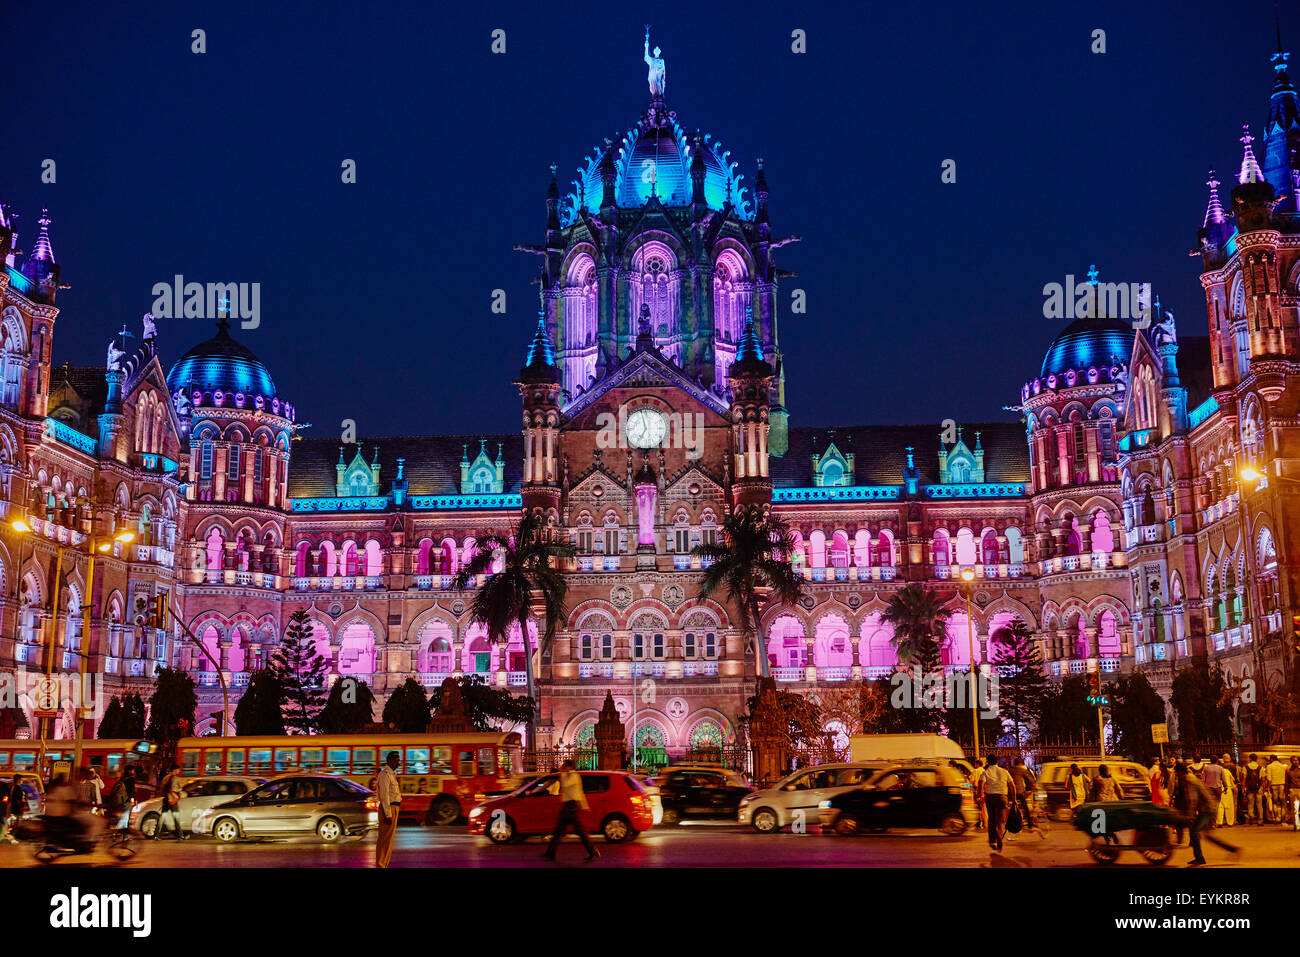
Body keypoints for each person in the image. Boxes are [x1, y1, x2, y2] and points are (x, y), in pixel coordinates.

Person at [1178, 762, 1240, 866]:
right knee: (1206, 835)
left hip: (1206, 809)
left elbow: (1193, 799)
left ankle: (1199, 858)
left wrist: (1190, 815)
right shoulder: (1190, 778)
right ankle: (1232, 849)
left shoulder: (1189, 780)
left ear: (1179, 772)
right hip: (1207, 808)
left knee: (1194, 832)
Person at [545, 760, 598, 862]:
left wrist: (585, 806)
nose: (563, 767)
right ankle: (550, 853)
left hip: (571, 807)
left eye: (564, 766)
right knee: (564, 830)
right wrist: (585, 806)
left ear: (569, 767)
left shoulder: (573, 776)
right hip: (569, 806)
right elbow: (579, 792)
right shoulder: (569, 775)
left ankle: (550, 853)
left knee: (563, 830)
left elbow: (567, 785)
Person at [980, 755, 1012, 852]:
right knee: (1001, 820)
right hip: (1002, 797)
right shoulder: (1004, 772)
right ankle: (999, 836)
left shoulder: (985, 773)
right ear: (997, 761)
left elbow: (980, 784)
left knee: (992, 820)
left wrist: (979, 795)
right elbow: (1012, 785)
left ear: (987, 762)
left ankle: (992, 841)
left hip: (990, 798)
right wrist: (1013, 799)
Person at [375, 751, 401, 868]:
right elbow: (384, 796)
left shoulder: (392, 774)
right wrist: (388, 814)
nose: (398, 762)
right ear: (390, 761)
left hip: (393, 807)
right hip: (389, 808)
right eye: (396, 760)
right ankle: (381, 864)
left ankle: (384, 863)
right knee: (385, 839)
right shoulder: (385, 774)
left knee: (389, 840)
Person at [1009, 757, 1042, 838]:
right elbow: (1030, 780)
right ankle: (1030, 826)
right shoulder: (1023, 770)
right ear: (1021, 764)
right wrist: (1035, 787)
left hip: (1010, 793)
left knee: (1014, 807)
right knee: (1025, 807)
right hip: (1020, 792)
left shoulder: (1010, 770)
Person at [153, 764, 185, 841]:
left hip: (166, 800)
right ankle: (180, 835)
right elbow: (173, 788)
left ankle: (156, 835)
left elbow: (162, 788)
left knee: (162, 817)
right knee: (176, 818)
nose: (179, 771)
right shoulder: (175, 778)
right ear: (174, 770)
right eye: (178, 769)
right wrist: (179, 790)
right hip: (172, 800)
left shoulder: (166, 777)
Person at [1200, 756, 1224, 823]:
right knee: (1216, 805)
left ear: (1210, 761)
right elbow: (1223, 779)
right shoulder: (1220, 768)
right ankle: (1214, 822)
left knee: (1208, 805)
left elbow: (1203, 780)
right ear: (1217, 761)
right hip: (1217, 789)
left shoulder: (1206, 768)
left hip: (1208, 789)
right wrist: (1226, 787)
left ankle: (1209, 821)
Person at [1242, 754, 1264, 824]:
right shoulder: (1261, 768)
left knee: (1250, 804)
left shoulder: (1245, 767)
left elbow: (1244, 778)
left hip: (1249, 788)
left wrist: (1243, 787)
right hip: (1258, 788)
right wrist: (1263, 788)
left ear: (1250, 759)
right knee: (1259, 805)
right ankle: (1260, 820)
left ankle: (1251, 817)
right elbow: (1263, 779)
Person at [1265, 756, 1287, 824]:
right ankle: (1283, 820)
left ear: (1271, 759)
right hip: (1282, 785)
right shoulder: (1283, 766)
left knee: (1275, 803)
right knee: (1283, 804)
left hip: (1273, 785)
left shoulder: (1269, 766)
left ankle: (1276, 819)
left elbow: (1269, 779)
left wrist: (1268, 788)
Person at [1217, 760, 1237, 828]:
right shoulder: (1226, 771)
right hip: (1227, 788)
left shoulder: (1216, 771)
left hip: (1219, 788)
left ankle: (1219, 822)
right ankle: (1230, 822)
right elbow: (1233, 779)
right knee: (1229, 806)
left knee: (1220, 806)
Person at [969, 759, 986, 829]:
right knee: (983, 807)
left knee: (978, 807)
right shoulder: (984, 771)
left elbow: (971, 781)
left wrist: (968, 786)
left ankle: (979, 822)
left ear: (977, 764)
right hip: (985, 790)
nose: (974, 765)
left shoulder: (975, 771)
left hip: (977, 790)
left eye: (975, 764)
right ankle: (984, 821)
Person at [1285, 757, 1300, 832]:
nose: (1296, 762)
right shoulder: (1288, 771)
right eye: (1294, 760)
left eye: (1297, 760)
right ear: (1291, 762)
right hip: (1293, 790)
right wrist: (1286, 793)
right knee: (1295, 809)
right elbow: (1287, 783)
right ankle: (1296, 826)